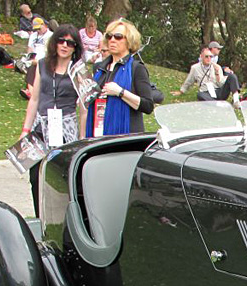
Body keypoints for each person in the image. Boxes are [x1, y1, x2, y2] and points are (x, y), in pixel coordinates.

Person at [21, 24, 84, 215]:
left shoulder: (78, 70)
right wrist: (26, 130)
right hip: (42, 125)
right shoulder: (42, 64)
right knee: (35, 176)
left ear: (75, 47)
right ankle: (41, 218)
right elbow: (35, 98)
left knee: (63, 176)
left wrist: (81, 138)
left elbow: (83, 107)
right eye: (61, 41)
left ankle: (66, 218)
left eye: (70, 43)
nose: (65, 45)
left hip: (66, 127)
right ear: (54, 42)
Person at [85, 18, 154, 137]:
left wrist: (120, 92)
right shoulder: (99, 68)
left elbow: (147, 106)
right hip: (98, 133)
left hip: (126, 137)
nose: (112, 40)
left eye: (118, 36)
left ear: (129, 41)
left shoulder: (136, 68)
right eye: (109, 36)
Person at [173, 47, 240, 103]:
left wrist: (217, 74)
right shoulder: (195, 68)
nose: (209, 59)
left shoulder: (217, 67)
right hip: (206, 92)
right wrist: (181, 91)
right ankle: (217, 104)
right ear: (201, 57)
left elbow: (220, 84)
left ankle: (236, 100)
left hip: (218, 91)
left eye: (210, 57)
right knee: (200, 95)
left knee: (232, 76)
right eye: (206, 56)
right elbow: (189, 81)